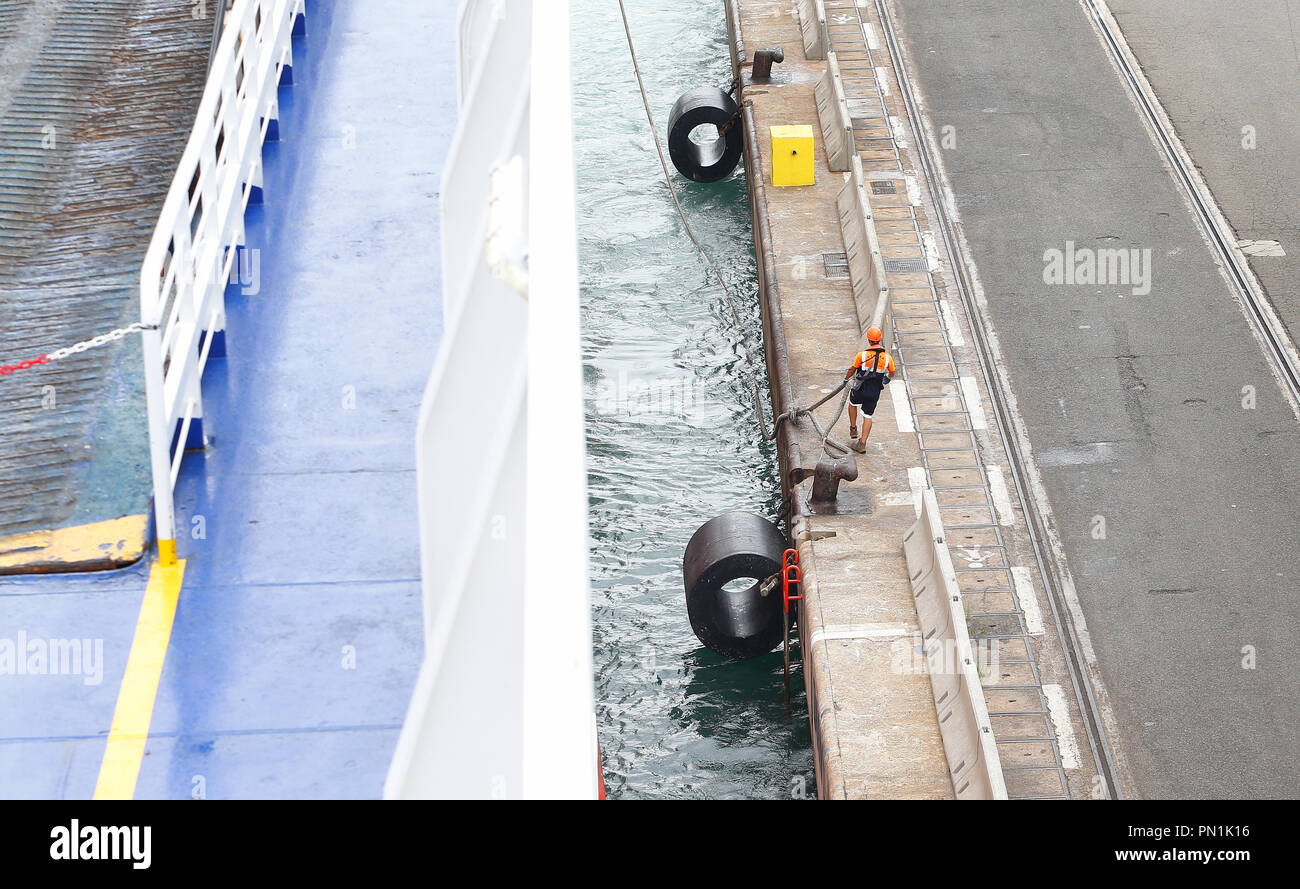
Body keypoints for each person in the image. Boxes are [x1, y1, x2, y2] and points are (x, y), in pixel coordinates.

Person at [844, 326, 895, 453]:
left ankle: (853, 428)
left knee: (852, 404)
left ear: (869, 340)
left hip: (860, 388)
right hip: (874, 391)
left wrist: (846, 379)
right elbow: (892, 371)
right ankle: (862, 443)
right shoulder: (887, 357)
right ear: (880, 340)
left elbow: (852, 369)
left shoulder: (862, 355)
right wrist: (887, 379)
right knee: (868, 415)